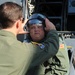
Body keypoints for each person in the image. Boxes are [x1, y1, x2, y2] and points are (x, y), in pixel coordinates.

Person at [0, 2, 59, 75]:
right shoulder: (24, 50)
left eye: (39, 27)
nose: (36, 30)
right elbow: (51, 48)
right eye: (32, 27)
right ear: (18, 23)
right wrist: (52, 30)